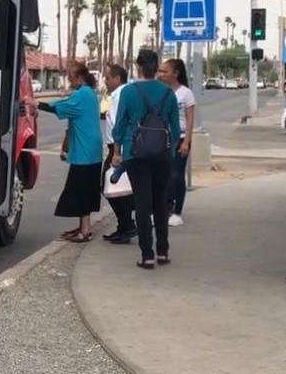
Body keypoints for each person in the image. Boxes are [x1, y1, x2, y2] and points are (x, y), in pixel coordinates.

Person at [112, 49, 181, 269]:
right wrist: (170, 154)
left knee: (142, 203)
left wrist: (117, 151)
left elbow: (119, 126)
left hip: (135, 154)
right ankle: (163, 251)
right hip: (162, 155)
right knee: (160, 202)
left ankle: (147, 255)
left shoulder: (129, 92)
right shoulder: (168, 93)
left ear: (138, 67)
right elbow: (176, 128)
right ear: (155, 68)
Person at [38, 62, 103, 242]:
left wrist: (35, 103)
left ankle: (85, 230)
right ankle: (84, 226)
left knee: (80, 190)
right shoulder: (88, 93)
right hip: (89, 148)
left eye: (71, 77)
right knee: (85, 189)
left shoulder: (81, 94)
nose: (69, 80)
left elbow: (60, 105)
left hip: (85, 150)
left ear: (80, 77)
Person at [101, 64, 137, 244]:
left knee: (110, 186)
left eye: (107, 78)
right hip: (119, 147)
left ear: (117, 78)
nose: (105, 81)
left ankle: (127, 225)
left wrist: (117, 152)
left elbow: (119, 125)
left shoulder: (119, 96)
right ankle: (125, 225)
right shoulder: (123, 93)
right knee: (117, 187)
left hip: (117, 148)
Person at [158, 58, 195, 227]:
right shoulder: (161, 91)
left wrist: (186, 142)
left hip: (180, 138)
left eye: (165, 71)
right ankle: (164, 209)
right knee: (163, 176)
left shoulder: (185, 93)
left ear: (176, 73)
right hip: (164, 138)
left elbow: (189, 119)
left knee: (176, 175)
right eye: (160, 71)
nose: (161, 74)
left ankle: (177, 212)